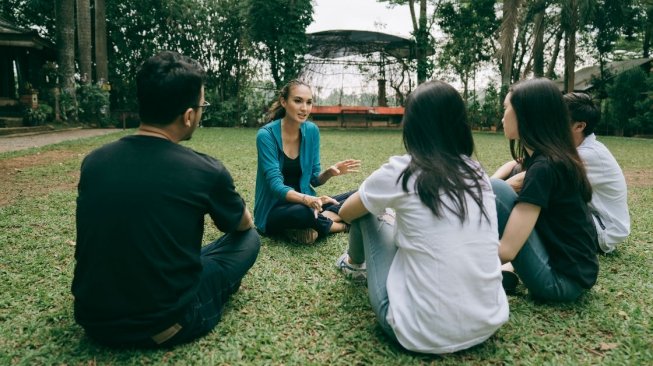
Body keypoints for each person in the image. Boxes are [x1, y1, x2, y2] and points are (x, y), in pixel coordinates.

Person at [72, 51, 260, 348]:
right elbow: (240, 225)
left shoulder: (94, 161)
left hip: (92, 320)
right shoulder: (205, 169)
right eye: (202, 106)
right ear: (188, 116)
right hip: (166, 323)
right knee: (250, 239)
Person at [335, 80, 509, 354]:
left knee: (366, 211)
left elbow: (347, 212)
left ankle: (354, 264)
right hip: (487, 322)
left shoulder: (403, 170)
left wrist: (385, 212)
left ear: (413, 125)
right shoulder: (476, 172)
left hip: (416, 331)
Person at [491, 78, 599, 302]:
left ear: (526, 115)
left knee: (496, 190)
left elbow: (507, 250)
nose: (502, 117)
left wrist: (457, 266)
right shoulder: (549, 158)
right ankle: (508, 272)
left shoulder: (545, 166)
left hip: (559, 283)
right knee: (498, 188)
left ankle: (504, 272)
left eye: (506, 109)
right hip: (573, 275)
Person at [493, 92, 630, 253]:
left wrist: (488, 194)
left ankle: (507, 245)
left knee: (538, 198)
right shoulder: (568, 148)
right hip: (585, 217)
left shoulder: (589, 154)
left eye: (558, 119)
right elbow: (516, 165)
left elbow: (526, 179)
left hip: (602, 229)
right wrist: (491, 182)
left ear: (579, 126)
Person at [254, 80, 361, 244]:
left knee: (361, 194)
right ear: (284, 102)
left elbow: (313, 180)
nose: (304, 108)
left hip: (308, 203)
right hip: (276, 210)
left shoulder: (312, 131)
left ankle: (315, 221)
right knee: (303, 213)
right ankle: (340, 226)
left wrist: (329, 173)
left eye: (309, 102)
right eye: (298, 101)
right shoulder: (266, 135)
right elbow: (275, 187)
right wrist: (307, 200)